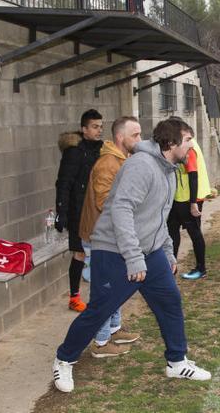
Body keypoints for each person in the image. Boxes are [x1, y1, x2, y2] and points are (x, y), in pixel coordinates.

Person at [52, 119, 211, 393]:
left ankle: (176, 361)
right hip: (115, 251)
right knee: (99, 310)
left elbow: (158, 218)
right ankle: (64, 359)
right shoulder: (141, 166)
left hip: (148, 252)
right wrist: (134, 258)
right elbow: (121, 211)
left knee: (170, 301)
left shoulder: (169, 171)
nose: (191, 147)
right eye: (188, 141)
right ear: (171, 143)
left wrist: (165, 253)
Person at [78, 116, 143, 358]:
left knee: (115, 285)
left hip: (109, 237)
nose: (140, 139)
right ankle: (101, 342)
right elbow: (105, 202)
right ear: (120, 137)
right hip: (100, 238)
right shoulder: (108, 163)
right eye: (135, 135)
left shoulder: (120, 160)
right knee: (105, 290)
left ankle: (113, 329)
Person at [55, 109, 104, 312]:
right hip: (78, 213)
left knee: (101, 253)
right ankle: (74, 297)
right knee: (79, 254)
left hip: (97, 212)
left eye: (101, 126)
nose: (99, 130)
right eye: (94, 127)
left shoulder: (102, 150)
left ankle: (99, 293)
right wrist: (62, 213)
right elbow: (64, 183)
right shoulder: (74, 151)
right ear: (84, 129)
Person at [164, 118, 214, 281]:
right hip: (179, 198)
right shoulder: (180, 145)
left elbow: (193, 176)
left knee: (194, 233)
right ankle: (171, 267)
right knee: (172, 232)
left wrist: (193, 203)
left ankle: (201, 268)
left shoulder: (188, 148)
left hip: (190, 198)